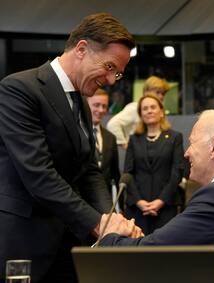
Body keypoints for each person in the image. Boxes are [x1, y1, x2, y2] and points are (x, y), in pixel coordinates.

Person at [0, 13, 135, 282]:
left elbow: (88, 170)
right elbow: (40, 174)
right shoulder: (19, 89)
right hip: (25, 242)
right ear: (82, 49)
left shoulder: (81, 102)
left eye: (117, 73)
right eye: (109, 67)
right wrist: (98, 223)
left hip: (68, 244)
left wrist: (109, 218)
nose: (111, 80)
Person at [99, 110, 214, 283]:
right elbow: (169, 245)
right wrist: (136, 240)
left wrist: (109, 237)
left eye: (192, 143)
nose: (186, 153)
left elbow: (154, 252)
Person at [124, 94, 184, 235]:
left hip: (166, 206)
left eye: (153, 107)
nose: (149, 111)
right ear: (141, 114)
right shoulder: (134, 139)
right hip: (138, 209)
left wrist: (160, 201)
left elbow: (177, 172)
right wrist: (139, 202)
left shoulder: (175, 137)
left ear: (161, 111)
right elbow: (128, 173)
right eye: (145, 108)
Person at [107, 75, 170, 149]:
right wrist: (126, 145)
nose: (161, 96)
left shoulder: (160, 111)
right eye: (158, 92)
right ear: (146, 91)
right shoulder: (134, 107)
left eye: (163, 93)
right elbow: (113, 124)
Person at [87, 88, 122, 211]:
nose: (101, 110)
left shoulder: (110, 137)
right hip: (80, 203)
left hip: (103, 205)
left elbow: (115, 175)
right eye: (96, 105)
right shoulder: (76, 133)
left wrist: (120, 208)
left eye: (104, 106)